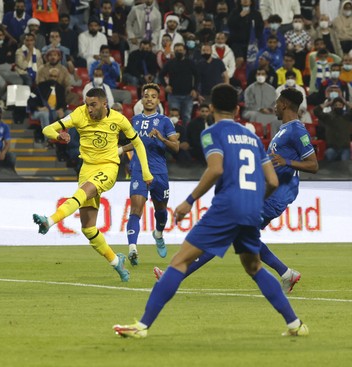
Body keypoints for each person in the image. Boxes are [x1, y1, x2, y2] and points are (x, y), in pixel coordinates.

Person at [114, 84, 310, 339]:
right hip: (250, 208)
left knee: (179, 261)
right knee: (254, 268)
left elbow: (216, 169)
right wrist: (251, 203)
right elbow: (272, 181)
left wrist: (189, 200)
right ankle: (295, 324)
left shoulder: (211, 133)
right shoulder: (251, 136)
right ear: (238, 109)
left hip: (226, 207)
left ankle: (142, 326)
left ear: (213, 108)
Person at [153, 87, 318, 294]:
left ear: (284, 104)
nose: (274, 106)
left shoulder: (297, 130)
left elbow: (313, 165)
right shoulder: (284, 129)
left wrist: (287, 161)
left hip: (276, 196)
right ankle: (286, 274)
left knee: (225, 232)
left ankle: (173, 275)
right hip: (263, 192)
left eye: (277, 103)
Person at [32, 88, 153, 281]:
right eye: (87, 104)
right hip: (87, 168)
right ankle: (116, 262)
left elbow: (138, 143)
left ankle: (49, 221)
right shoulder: (79, 114)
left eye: (93, 105)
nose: (89, 109)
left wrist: (146, 172)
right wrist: (58, 136)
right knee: (88, 228)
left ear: (105, 104)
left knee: (83, 192)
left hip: (109, 167)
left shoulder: (119, 119)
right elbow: (47, 129)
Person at [119, 84, 179, 266]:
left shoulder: (165, 121)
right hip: (138, 170)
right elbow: (136, 143)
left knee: (161, 212)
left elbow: (175, 147)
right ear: (142, 99)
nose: (149, 99)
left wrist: (161, 138)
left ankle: (158, 234)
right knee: (135, 210)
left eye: (153, 96)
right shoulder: (135, 120)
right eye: (146, 96)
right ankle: (132, 249)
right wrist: (121, 149)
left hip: (159, 172)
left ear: (158, 100)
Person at [314, 97, 352, 161]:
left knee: (346, 167)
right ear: (333, 107)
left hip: (345, 148)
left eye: (340, 105)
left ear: (343, 106)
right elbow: (316, 111)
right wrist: (327, 104)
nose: (338, 107)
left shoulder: (347, 117)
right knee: (328, 163)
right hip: (332, 148)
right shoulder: (328, 117)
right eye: (336, 105)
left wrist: (346, 103)